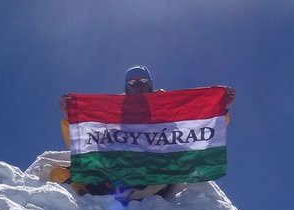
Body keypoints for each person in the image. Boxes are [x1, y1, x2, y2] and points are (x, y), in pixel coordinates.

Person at [57, 66, 235, 200]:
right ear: (127, 88)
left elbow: (196, 133)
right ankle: (85, 195)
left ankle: (130, 195)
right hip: (116, 174)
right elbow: (85, 144)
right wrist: (70, 119)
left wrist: (220, 110)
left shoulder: (167, 112)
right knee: (59, 173)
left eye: (143, 82)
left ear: (150, 85)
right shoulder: (115, 115)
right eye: (133, 83)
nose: (138, 87)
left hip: (152, 177)